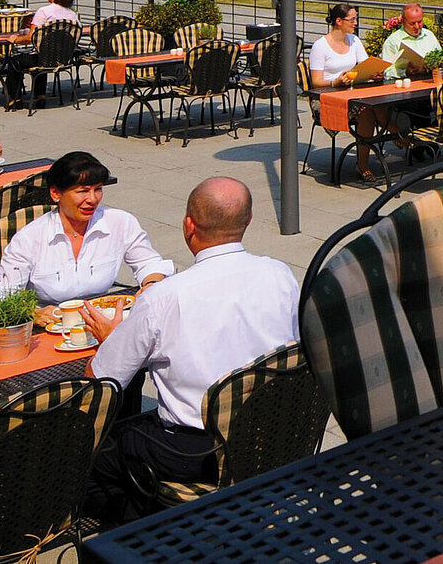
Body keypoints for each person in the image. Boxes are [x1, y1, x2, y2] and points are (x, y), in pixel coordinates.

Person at [80, 177, 297, 525]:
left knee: (89, 459)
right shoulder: (280, 275)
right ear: (249, 220)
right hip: (273, 435)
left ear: (188, 226)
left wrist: (114, 338)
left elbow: (101, 381)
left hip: (197, 452)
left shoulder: (165, 297)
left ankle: (152, 536)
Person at [0, 151, 172, 325]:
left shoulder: (120, 222)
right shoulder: (29, 238)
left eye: (98, 189)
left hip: (104, 320)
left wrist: (151, 284)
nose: (92, 199)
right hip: (51, 326)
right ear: (56, 194)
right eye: (82, 191)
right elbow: (2, 298)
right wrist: (34, 313)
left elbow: (149, 263)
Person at [310, 3, 389, 180]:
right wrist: (335, 82)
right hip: (328, 98)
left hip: (353, 93)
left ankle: (397, 136)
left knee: (380, 102)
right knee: (366, 110)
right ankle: (366, 162)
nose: (356, 23)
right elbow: (316, 82)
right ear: (339, 21)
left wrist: (374, 74)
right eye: (352, 20)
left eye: (356, 19)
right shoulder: (320, 46)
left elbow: (365, 66)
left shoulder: (354, 41)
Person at [0, 0, 79, 108]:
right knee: (41, 56)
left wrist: (15, 39)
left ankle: (14, 98)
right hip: (63, 58)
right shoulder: (72, 15)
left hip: (43, 58)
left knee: (16, 61)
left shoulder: (44, 12)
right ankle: (40, 95)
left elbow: (31, 37)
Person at [378, 3, 441, 80]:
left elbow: (441, 60)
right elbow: (387, 72)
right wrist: (404, 72)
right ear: (403, 23)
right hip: (405, 83)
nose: (417, 27)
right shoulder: (393, 41)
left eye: (419, 22)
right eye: (412, 23)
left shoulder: (429, 35)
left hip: (430, 80)